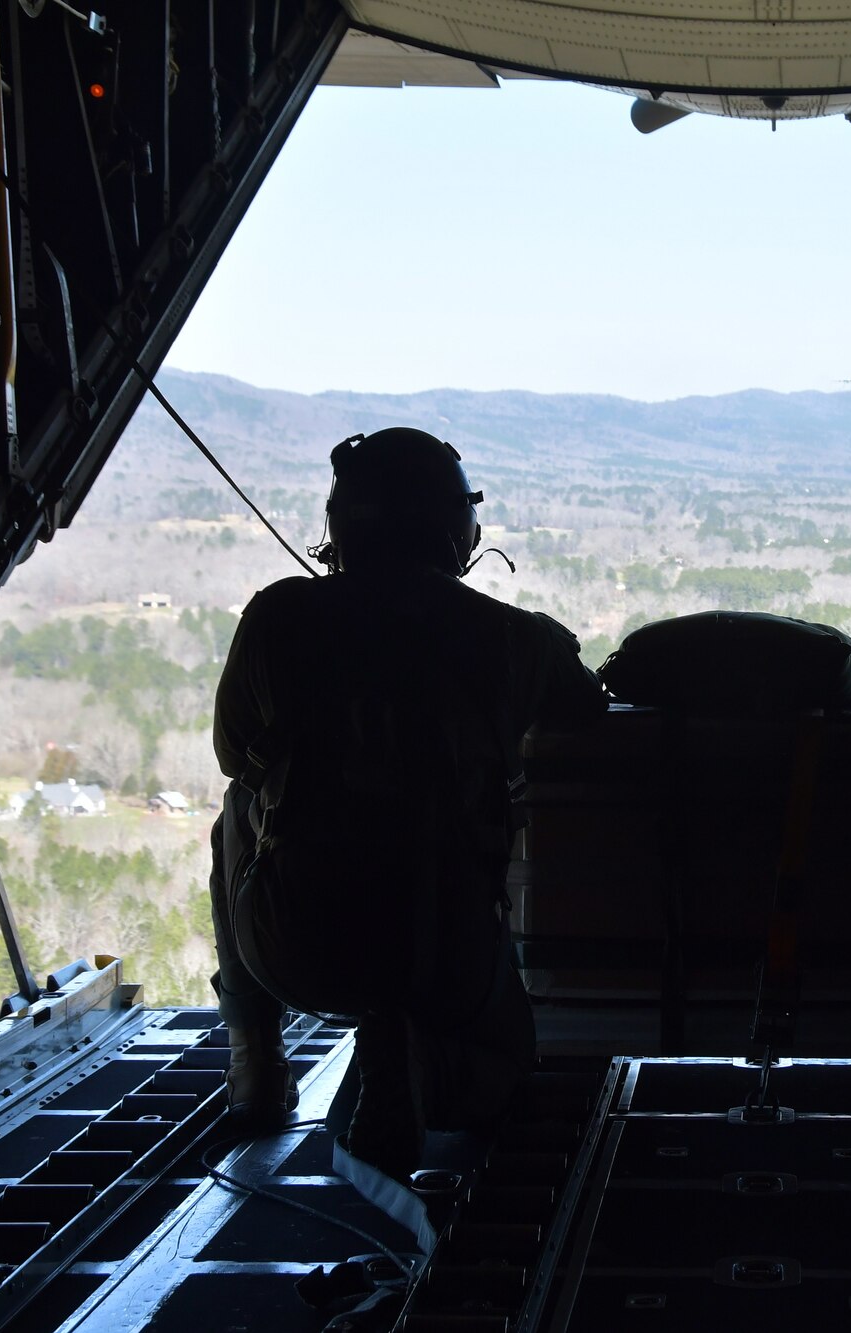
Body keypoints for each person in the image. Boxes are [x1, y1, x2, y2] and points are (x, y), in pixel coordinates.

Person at [207, 428, 604, 1173]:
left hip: (299, 947)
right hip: (443, 952)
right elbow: (586, 705)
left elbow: (237, 756)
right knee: (505, 1076)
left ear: (342, 523)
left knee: (237, 813)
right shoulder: (509, 636)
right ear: (456, 528)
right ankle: (423, 1060)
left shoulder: (278, 617)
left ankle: (255, 1059)